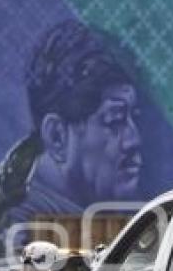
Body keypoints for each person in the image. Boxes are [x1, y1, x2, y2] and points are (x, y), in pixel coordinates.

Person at [12, 19, 143, 219]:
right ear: (57, 136)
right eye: (115, 120)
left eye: (134, 117)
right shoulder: (19, 229)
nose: (134, 139)